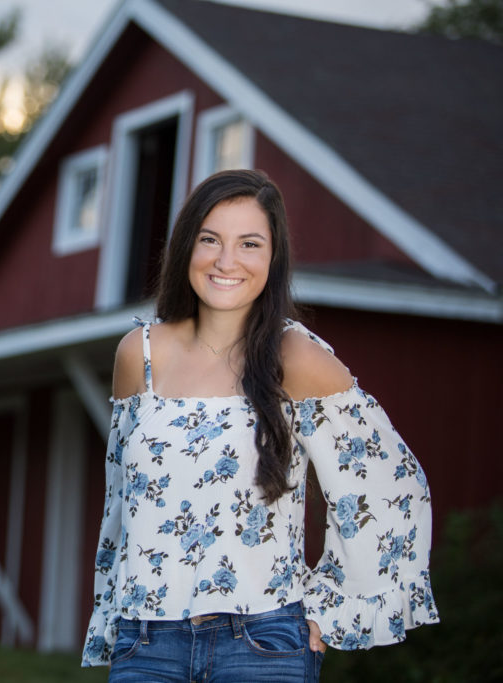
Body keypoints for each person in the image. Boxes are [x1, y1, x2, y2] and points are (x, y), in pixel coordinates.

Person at [80, 170, 438, 681]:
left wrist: (326, 611)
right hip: (147, 644)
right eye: (211, 240)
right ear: (186, 248)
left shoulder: (297, 357)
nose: (227, 262)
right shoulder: (140, 355)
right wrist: (114, 619)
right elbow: (121, 505)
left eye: (249, 243)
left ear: (273, 258)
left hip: (262, 645)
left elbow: (390, 487)